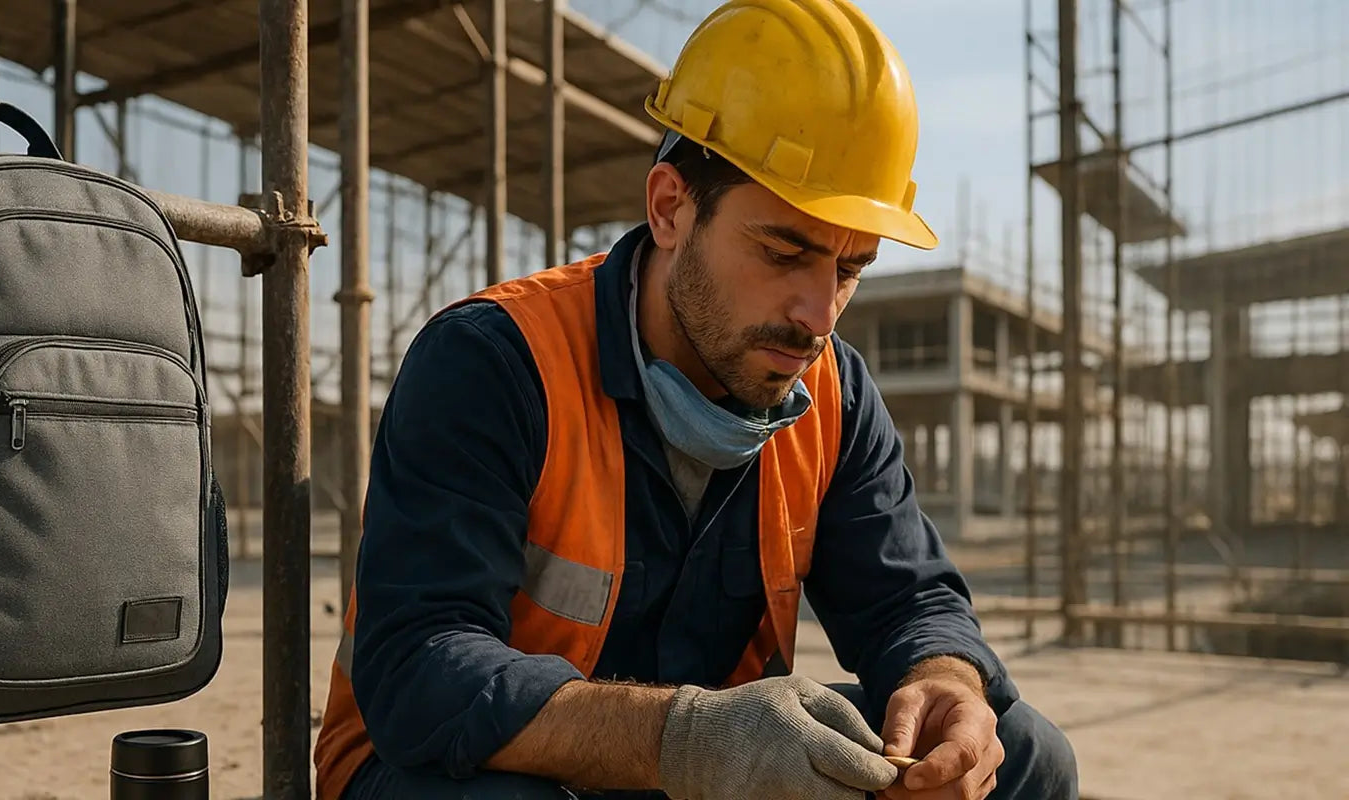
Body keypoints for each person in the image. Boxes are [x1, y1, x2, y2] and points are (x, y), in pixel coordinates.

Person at [314, 1, 1078, 798]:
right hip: (461, 766)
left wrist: (943, 681)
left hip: (707, 768)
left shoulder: (835, 396)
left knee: (1025, 755)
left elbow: (908, 600)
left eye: (849, 270)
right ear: (670, 208)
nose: (820, 316)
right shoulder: (496, 361)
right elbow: (420, 668)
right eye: (784, 251)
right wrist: (684, 737)